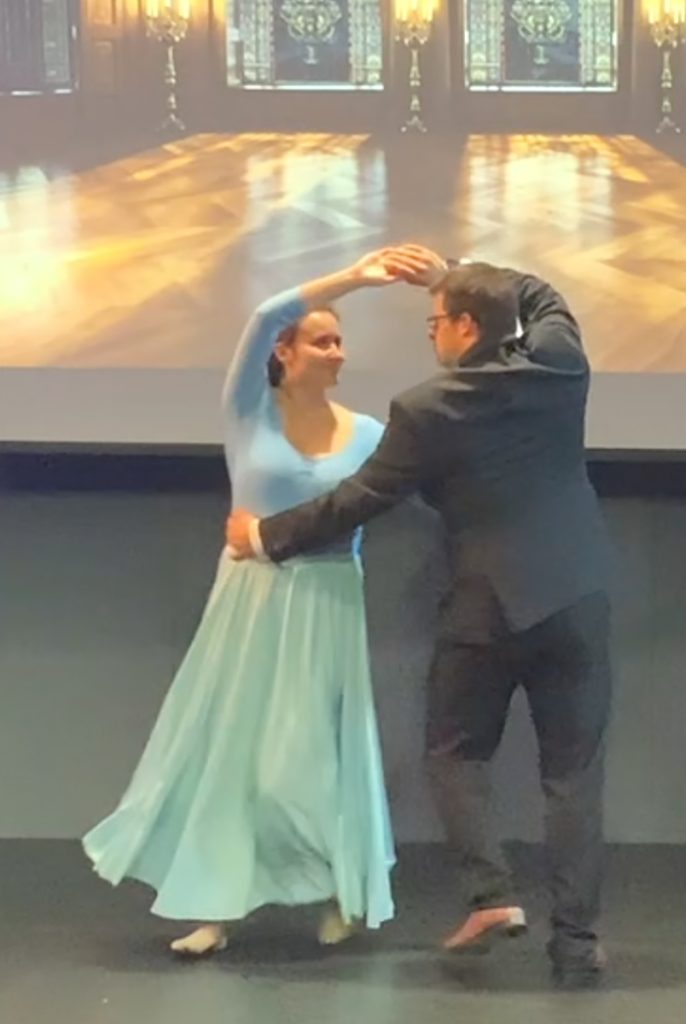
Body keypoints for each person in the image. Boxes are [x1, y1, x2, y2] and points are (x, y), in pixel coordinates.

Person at [227, 244, 613, 988]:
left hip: (486, 606)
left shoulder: (427, 408)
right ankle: (575, 945)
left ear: (465, 329)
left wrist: (263, 536)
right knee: (573, 774)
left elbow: (361, 499)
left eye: (436, 321)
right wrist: (460, 274)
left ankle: (491, 896)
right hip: (577, 597)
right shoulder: (562, 364)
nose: (431, 336)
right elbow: (544, 297)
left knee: (455, 752)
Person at [83, 252, 400, 955]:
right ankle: (215, 908)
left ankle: (340, 893)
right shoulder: (247, 413)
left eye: (341, 341)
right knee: (231, 754)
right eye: (322, 338)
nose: (336, 351)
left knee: (315, 757)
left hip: (328, 601)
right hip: (251, 603)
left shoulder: (373, 436)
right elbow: (262, 313)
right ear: (284, 353)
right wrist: (354, 277)